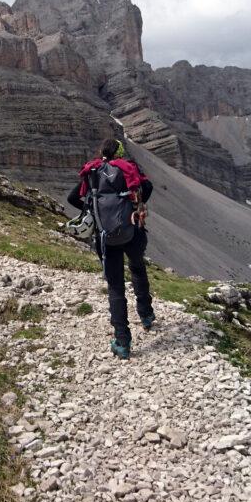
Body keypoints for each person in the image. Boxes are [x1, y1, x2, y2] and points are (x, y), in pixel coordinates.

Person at [68, 138, 155, 359]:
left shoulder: (92, 171)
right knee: (137, 268)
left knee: (116, 287)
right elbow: (148, 187)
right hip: (132, 230)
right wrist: (132, 206)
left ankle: (122, 341)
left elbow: (72, 197)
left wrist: (93, 212)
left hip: (104, 237)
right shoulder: (128, 169)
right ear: (121, 151)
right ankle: (145, 315)